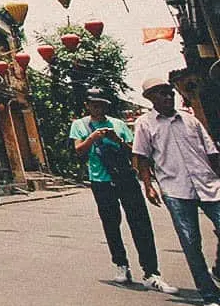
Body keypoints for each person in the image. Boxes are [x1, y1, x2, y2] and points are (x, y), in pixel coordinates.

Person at [69, 87, 177, 292]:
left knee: (140, 223)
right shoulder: (79, 125)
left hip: (126, 179)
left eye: (101, 104)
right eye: (94, 104)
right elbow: (78, 150)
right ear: (88, 105)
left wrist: (116, 139)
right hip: (101, 181)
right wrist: (93, 138)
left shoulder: (117, 124)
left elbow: (135, 152)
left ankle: (151, 272)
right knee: (111, 224)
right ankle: (121, 265)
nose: (97, 107)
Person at [133, 77, 220, 306]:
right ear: (151, 98)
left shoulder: (190, 120)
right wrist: (148, 185)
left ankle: (218, 270)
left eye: (169, 92)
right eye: (161, 93)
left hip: (208, 184)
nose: (168, 96)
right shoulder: (145, 123)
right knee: (191, 242)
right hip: (175, 189)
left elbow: (211, 152)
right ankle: (209, 294)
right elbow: (141, 157)